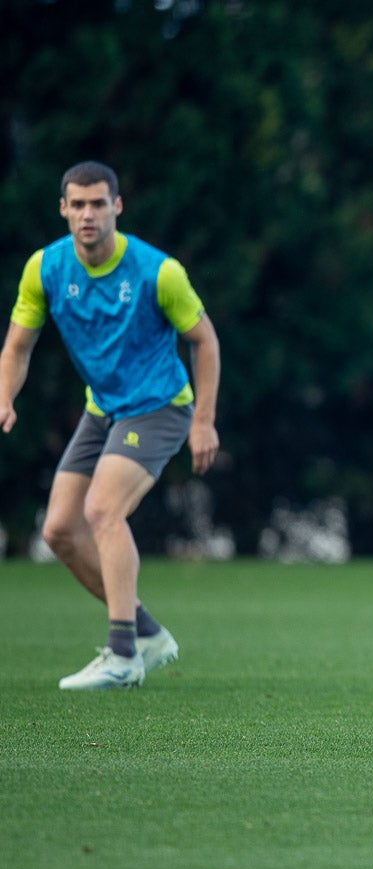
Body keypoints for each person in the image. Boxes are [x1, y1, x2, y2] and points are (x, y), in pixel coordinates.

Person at [1, 161, 221, 691]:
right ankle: (145, 632)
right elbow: (17, 347)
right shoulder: (45, 268)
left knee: (102, 511)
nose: (88, 214)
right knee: (59, 530)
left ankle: (123, 655)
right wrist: (4, 396)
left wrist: (204, 422)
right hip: (103, 410)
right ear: (63, 209)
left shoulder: (158, 272)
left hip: (159, 407)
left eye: (98, 203)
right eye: (77, 204)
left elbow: (205, 341)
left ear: (116, 206)